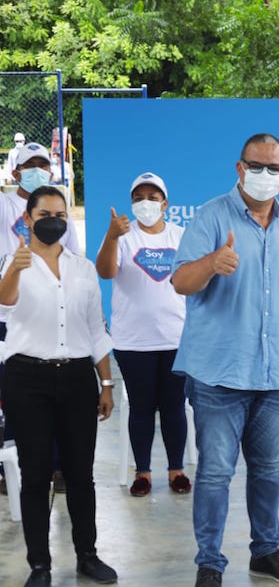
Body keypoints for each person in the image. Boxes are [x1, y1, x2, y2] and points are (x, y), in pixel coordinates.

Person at [172, 133, 279, 587]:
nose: (266, 176)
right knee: (216, 473)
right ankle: (210, 564)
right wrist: (212, 263)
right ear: (240, 169)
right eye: (257, 166)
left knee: (267, 470)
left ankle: (266, 551)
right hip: (220, 372)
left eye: (275, 169)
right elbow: (180, 280)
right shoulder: (211, 217)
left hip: (276, 371)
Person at [0, 185, 117, 587]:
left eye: (62, 215)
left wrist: (106, 381)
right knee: (34, 476)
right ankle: (39, 565)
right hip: (26, 378)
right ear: (28, 219)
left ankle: (87, 555)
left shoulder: (82, 268)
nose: (54, 220)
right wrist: (16, 267)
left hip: (77, 379)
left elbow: (95, 328)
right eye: (46, 213)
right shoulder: (12, 261)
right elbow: (4, 303)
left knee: (81, 474)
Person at [95, 172, 189, 497]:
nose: (145, 203)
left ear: (165, 203)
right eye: (138, 197)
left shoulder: (180, 235)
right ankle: (143, 472)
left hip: (176, 338)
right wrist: (111, 236)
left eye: (152, 197)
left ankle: (176, 469)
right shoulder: (123, 235)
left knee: (175, 406)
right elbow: (106, 272)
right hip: (133, 342)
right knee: (141, 407)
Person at [0, 140, 81, 496]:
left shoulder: (58, 211)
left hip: (53, 311)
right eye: (30, 164)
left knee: (58, 391)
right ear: (15, 171)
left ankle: (59, 467)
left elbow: (75, 259)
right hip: (11, 309)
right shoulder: (4, 205)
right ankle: (11, 469)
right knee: (15, 394)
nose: (38, 169)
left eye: (43, 164)